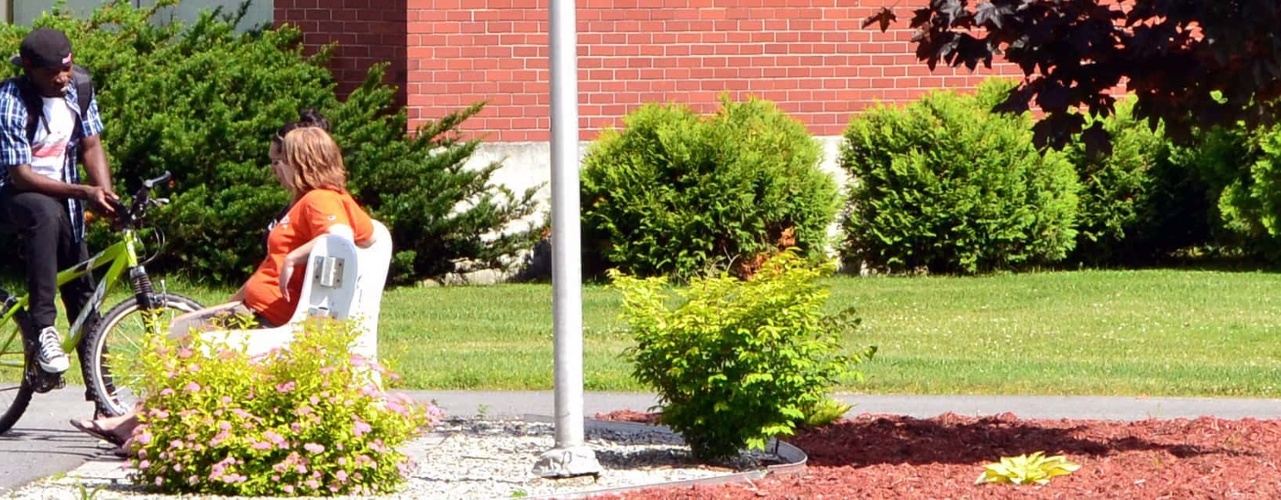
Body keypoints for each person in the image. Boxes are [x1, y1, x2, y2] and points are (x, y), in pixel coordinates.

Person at [70, 123, 375, 450]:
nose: (276, 170)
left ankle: (144, 430)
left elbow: (340, 239)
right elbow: (371, 234)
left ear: (302, 162)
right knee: (181, 329)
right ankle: (135, 424)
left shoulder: (319, 200)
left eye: (282, 160)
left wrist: (295, 258)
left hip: (271, 316)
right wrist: (233, 302)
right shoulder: (329, 198)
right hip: (258, 307)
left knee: (181, 335)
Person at [0, 28, 117, 391]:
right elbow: (20, 176)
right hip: (11, 196)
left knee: (83, 295)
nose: (62, 78)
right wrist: (85, 191)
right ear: (30, 69)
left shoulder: (79, 88)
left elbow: (91, 145)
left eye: (67, 69)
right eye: (53, 73)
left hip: (62, 199)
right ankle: (43, 328)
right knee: (44, 212)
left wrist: (106, 195)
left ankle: (105, 399)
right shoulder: (11, 98)